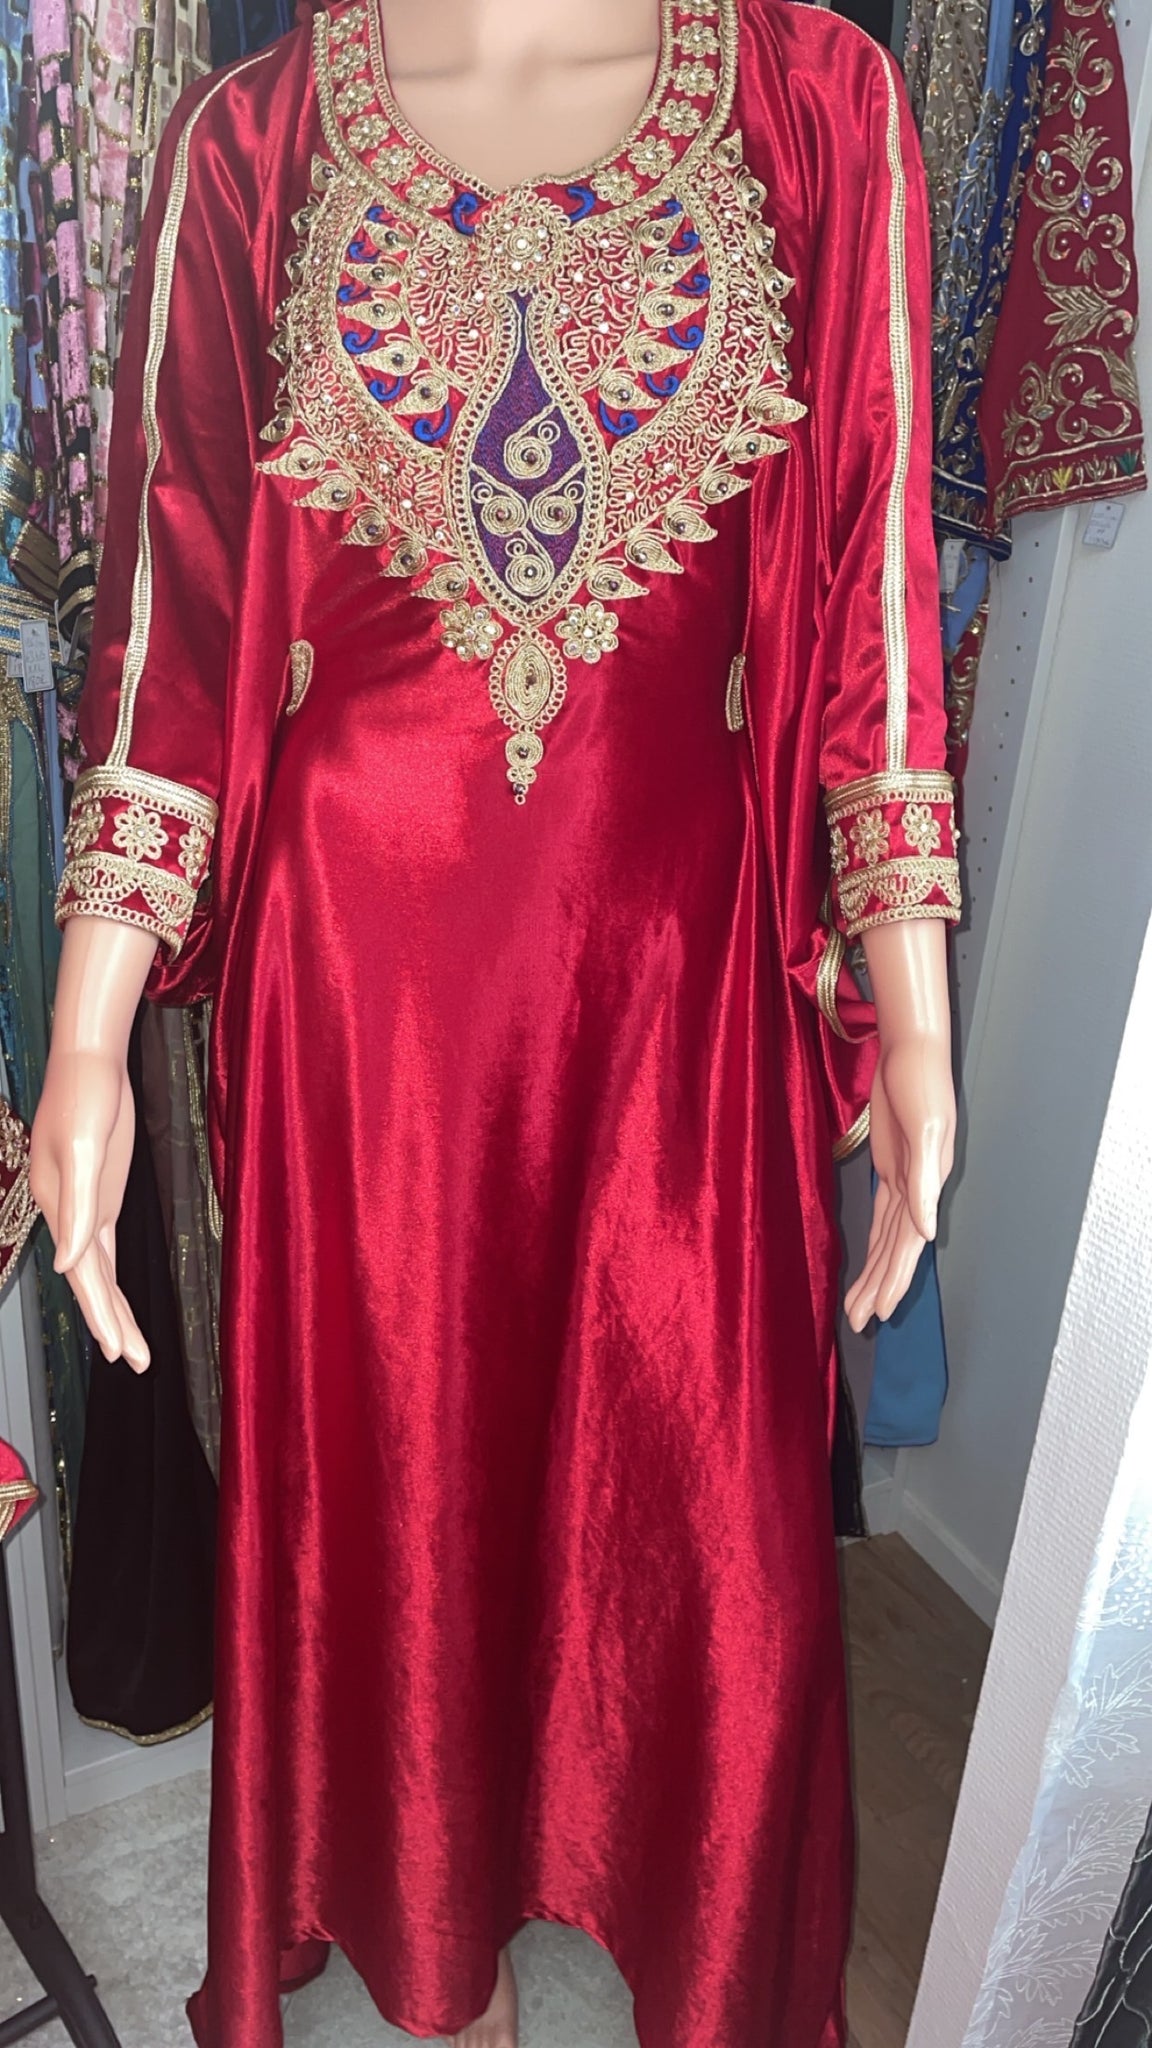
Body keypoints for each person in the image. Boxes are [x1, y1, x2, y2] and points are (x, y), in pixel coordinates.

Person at [30, 0, 960, 2041]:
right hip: (360, 1009)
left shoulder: (821, 102)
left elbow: (877, 578)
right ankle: (439, 1954)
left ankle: (684, 1928)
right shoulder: (249, 142)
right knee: (404, 1484)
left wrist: (910, 989)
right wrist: (89, 1026)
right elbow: (172, 620)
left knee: (696, 1497)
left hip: (674, 986)